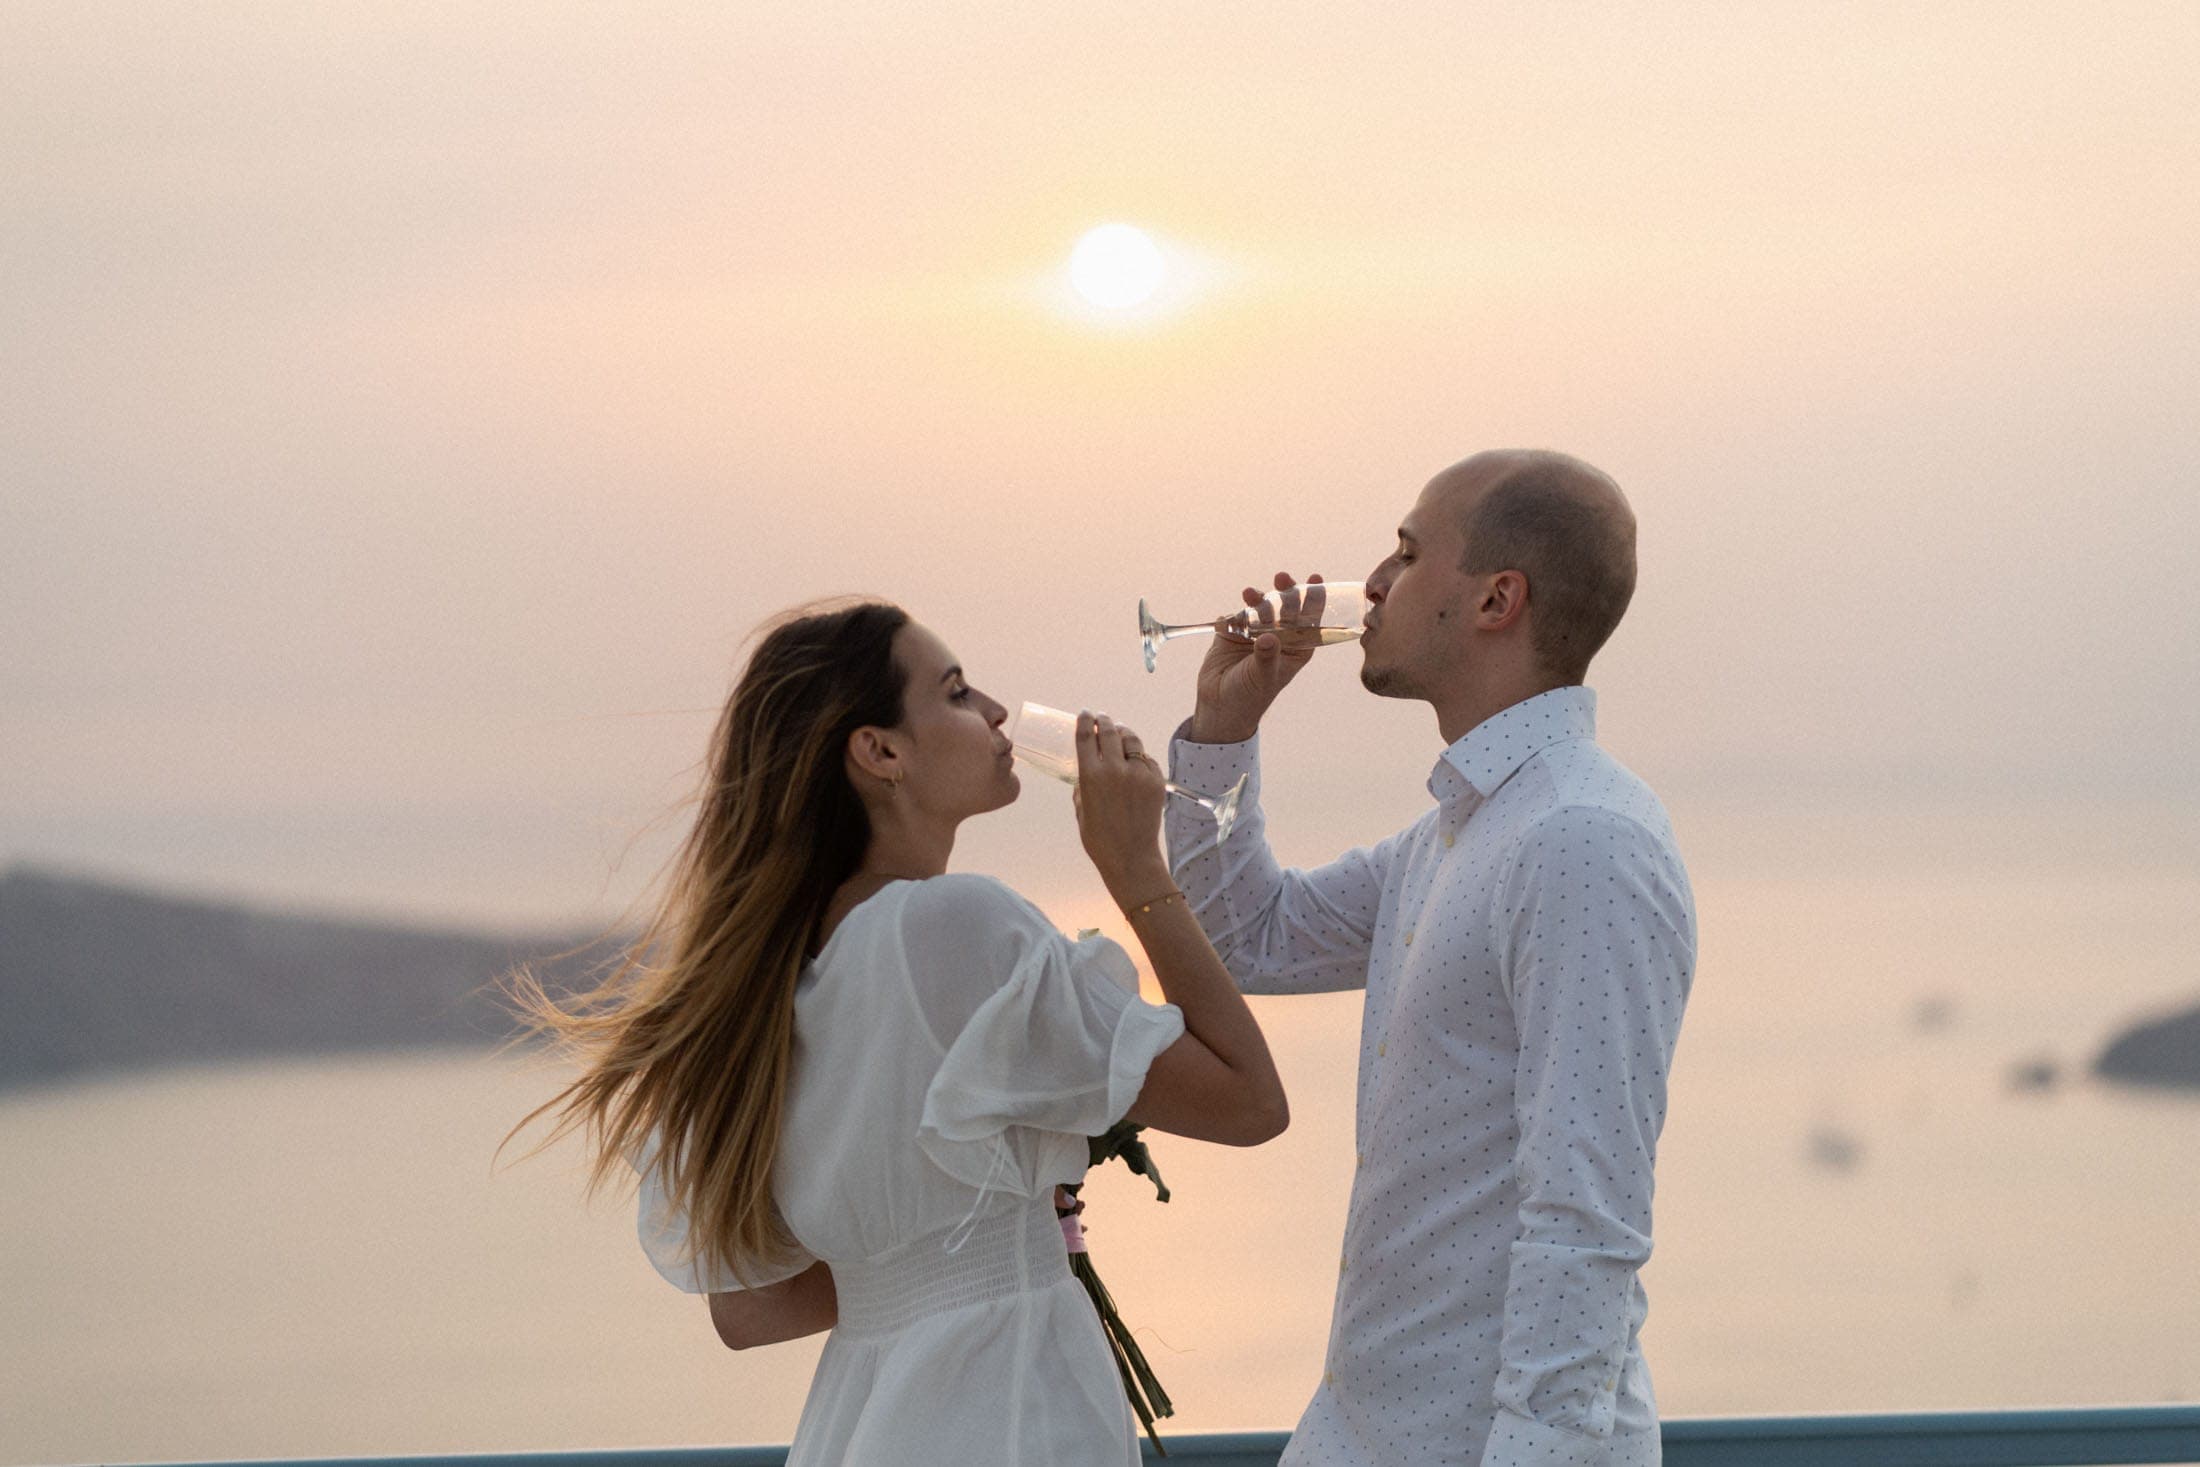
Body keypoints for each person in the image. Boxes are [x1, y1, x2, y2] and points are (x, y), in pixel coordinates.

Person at [504, 599, 1287, 1467]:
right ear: (878, 751)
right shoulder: (956, 925)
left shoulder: (771, 987)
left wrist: (963, 1229)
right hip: (1004, 1417)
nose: (993, 709)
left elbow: (748, 1310)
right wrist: (1134, 865)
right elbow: (1249, 1098)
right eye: (954, 692)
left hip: (868, 1424)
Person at [1164, 450, 1696, 1467]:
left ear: (1498, 598)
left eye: (1405, 554)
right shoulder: (1457, 834)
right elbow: (1248, 938)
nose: (1368, 584)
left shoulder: (1580, 839)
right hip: (1363, 1436)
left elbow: (1586, 1215)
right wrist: (1222, 739)